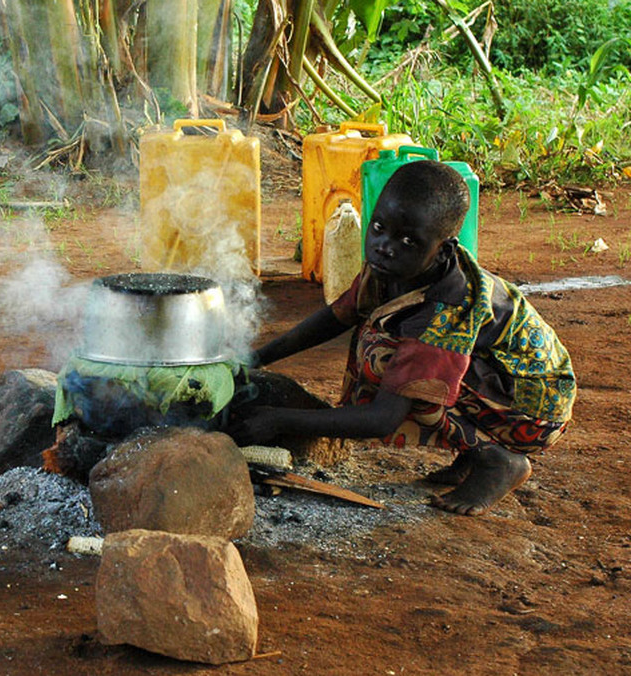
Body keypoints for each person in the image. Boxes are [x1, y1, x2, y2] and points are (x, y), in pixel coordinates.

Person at [232, 160, 575, 516]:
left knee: (383, 357)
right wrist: (256, 357)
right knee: (387, 348)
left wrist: (276, 419)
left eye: (409, 240)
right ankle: (472, 455)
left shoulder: (445, 310)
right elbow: (334, 318)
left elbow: (382, 418)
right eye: (379, 228)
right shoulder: (396, 267)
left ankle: (497, 461)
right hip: (498, 384)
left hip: (534, 408)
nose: (385, 245)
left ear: (443, 250)